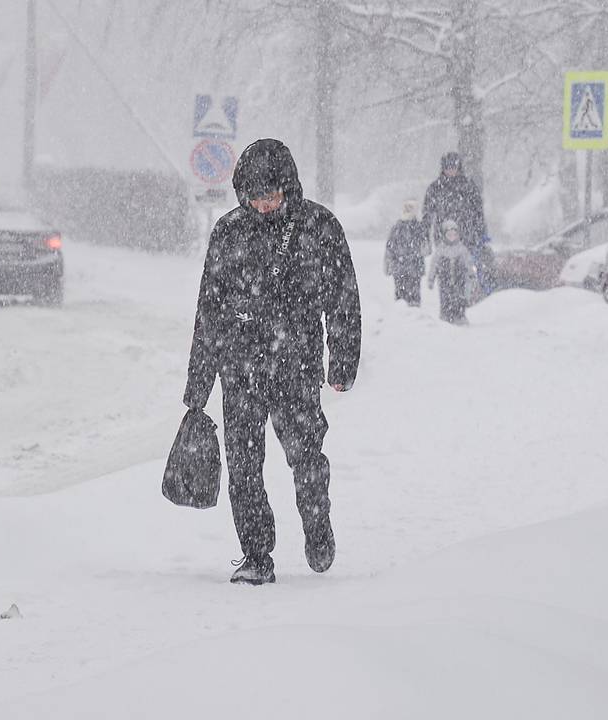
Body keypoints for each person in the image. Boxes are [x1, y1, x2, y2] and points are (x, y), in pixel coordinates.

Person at [183, 138, 362, 586]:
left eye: (272, 196)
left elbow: (343, 298)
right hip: (239, 370)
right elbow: (210, 310)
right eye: (254, 197)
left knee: (305, 455)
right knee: (243, 466)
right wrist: (199, 383)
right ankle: (257, 556)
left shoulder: (318, 227)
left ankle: (317, 529)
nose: (263, 206)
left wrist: (341, 361)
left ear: (289, 187)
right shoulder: (228, 232)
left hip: (296, 366)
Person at [422, 151, 493, 293]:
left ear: (459, 167)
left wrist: (481, 232)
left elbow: (478, 212)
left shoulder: (468, 186)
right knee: (445, 272)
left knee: (464, 269)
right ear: (443, 168)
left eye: (454, 167)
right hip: (442, 238)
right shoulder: (435, 188)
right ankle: (447, 302)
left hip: (466, 236)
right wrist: (425, 236)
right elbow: (427, 214)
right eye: (448, 167)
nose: (451, 170)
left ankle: (463, 300)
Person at [426, 220, 476, 325]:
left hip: (459, 279)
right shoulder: (440, 250)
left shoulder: (462, 249)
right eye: (449, 235)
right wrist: (431, 278)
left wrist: (471, 274)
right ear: (444, 235)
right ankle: (446, 315)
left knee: (459, 297)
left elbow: (468, 263)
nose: (452, 237)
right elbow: (434, 265)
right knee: (446, 298)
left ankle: (459, 315)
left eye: (454, 234)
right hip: (444, 279)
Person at [384, 199, 428, 306]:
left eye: (411, 208)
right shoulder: (397, 228)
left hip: (414, 267)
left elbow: (426, 248)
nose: (408, 210)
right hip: (400, 268)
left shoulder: (419, 227)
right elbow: (390, 247)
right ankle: (402, 317)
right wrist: (387, 263)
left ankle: (414, 316)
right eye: (407, 208)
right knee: (401, 296)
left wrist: (419, 252)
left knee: (414, 296)